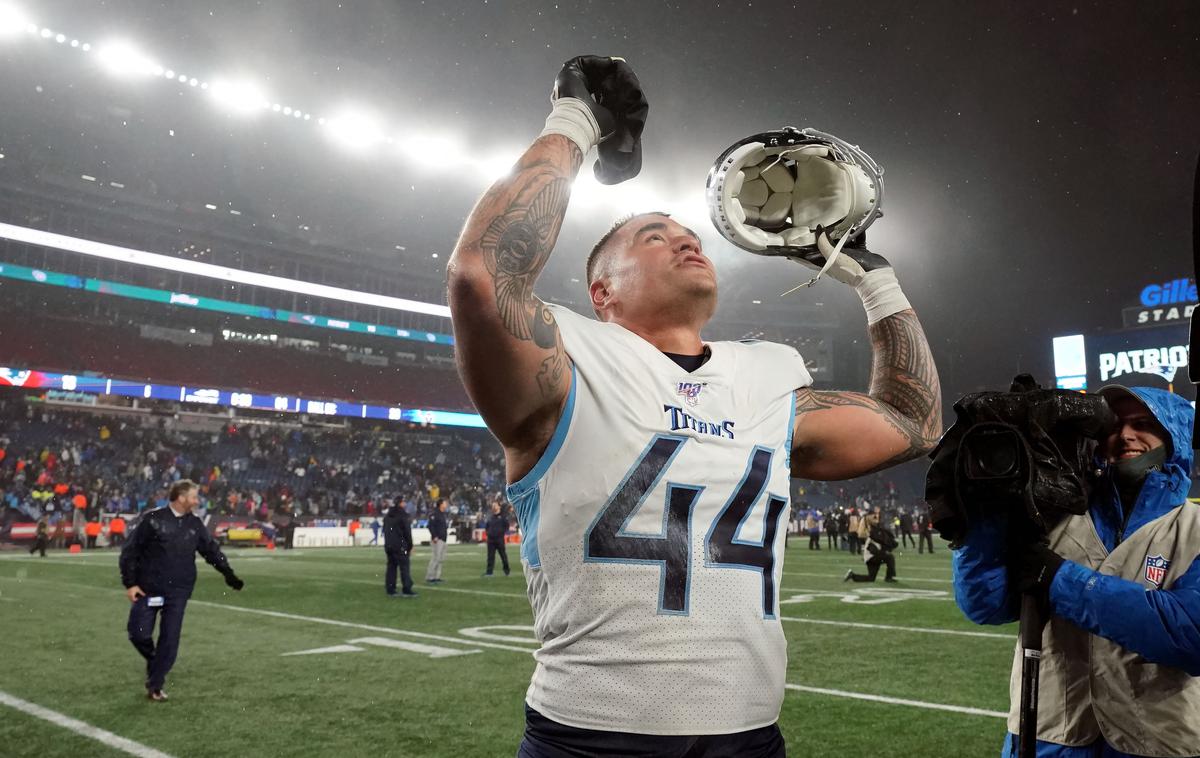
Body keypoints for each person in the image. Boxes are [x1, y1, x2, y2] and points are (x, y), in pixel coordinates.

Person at [446, 56, 941, 752]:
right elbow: (481, 272)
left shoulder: (768, 376)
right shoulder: (571, 358)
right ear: (602, 293)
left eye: (690, 236)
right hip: (592, 736)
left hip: (750, 736)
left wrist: (875, 281)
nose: (684, 237)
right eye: (654, 236)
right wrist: (577, 120)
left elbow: (913, 423)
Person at [952, 385, 1200, 757]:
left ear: (1174, 434)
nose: (1125, 435)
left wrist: (1058, 580)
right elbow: (984, 605)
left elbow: (1191, 635)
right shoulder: (1053, 513)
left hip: (1158, 743)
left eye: (1143, 424)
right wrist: (985, 515)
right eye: (1114, 426)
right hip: (1049, 738)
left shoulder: (1195, 528)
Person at [119, 479, 244, 701]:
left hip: (179, 590)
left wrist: (228, 574)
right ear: (181, 497)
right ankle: (155, 661)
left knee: (170, 638)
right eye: (194, 497)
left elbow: (211, 551)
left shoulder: (195, 524)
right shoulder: (152, 520)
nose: (197, 501)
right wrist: (130, 583)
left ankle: (155, 684)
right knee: (138, 633)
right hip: (148, 588)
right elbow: (130, 552)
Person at [383, 496, 416, 598]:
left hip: (389, 545)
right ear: (401, 503)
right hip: (401, 545)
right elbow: (407, 532)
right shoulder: (403, 515)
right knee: (404, 567)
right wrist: (410, 546)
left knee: (391, 567)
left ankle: (390, 589)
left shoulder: (388, 515)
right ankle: (406, 589)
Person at [483, 501, 510, 577]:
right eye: (493, 505)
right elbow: (487, 527)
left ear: (499, 506)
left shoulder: (503, 516)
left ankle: (507, 571)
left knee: (503, 556)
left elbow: (506, 526)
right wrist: (488, 533)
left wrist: (501, 533)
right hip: (491, 540)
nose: (494, 507)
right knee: (490, 557)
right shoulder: (490, 517)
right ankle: (489, 572)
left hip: (499, 540)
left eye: (495, 505)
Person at [425, 498, 449, 583]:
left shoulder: (443, 514)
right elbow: (430, 526)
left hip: (443, 539)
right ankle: (430, 576)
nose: (446, 505)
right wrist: (434, 536)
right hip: (437, 539)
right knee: (436, 558)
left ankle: (437, 576)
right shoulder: (435, 514)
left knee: (440, 559)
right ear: (441, 504)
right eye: (445, 503)